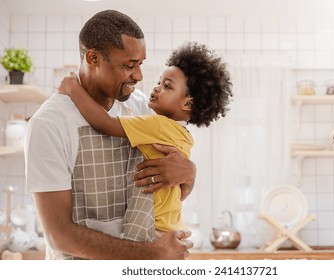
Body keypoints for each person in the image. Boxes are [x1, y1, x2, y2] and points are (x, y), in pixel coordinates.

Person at [24, 10, 195, 260]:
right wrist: (151, 254)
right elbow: (58, 235)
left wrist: (189, 172)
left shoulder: (138, 105)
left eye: (140, 64)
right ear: (93, 58)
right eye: (129, 65)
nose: (138, 76)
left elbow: (171, 189)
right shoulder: (49, 124)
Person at [58, 41, 233, 239]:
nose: (157, 88)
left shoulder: (157, 125)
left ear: (188, 102)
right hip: (169, 223)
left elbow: (104, 123)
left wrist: (73, 88)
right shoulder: (184, 135)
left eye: (167, 86)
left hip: (152, 223)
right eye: (159, 82)